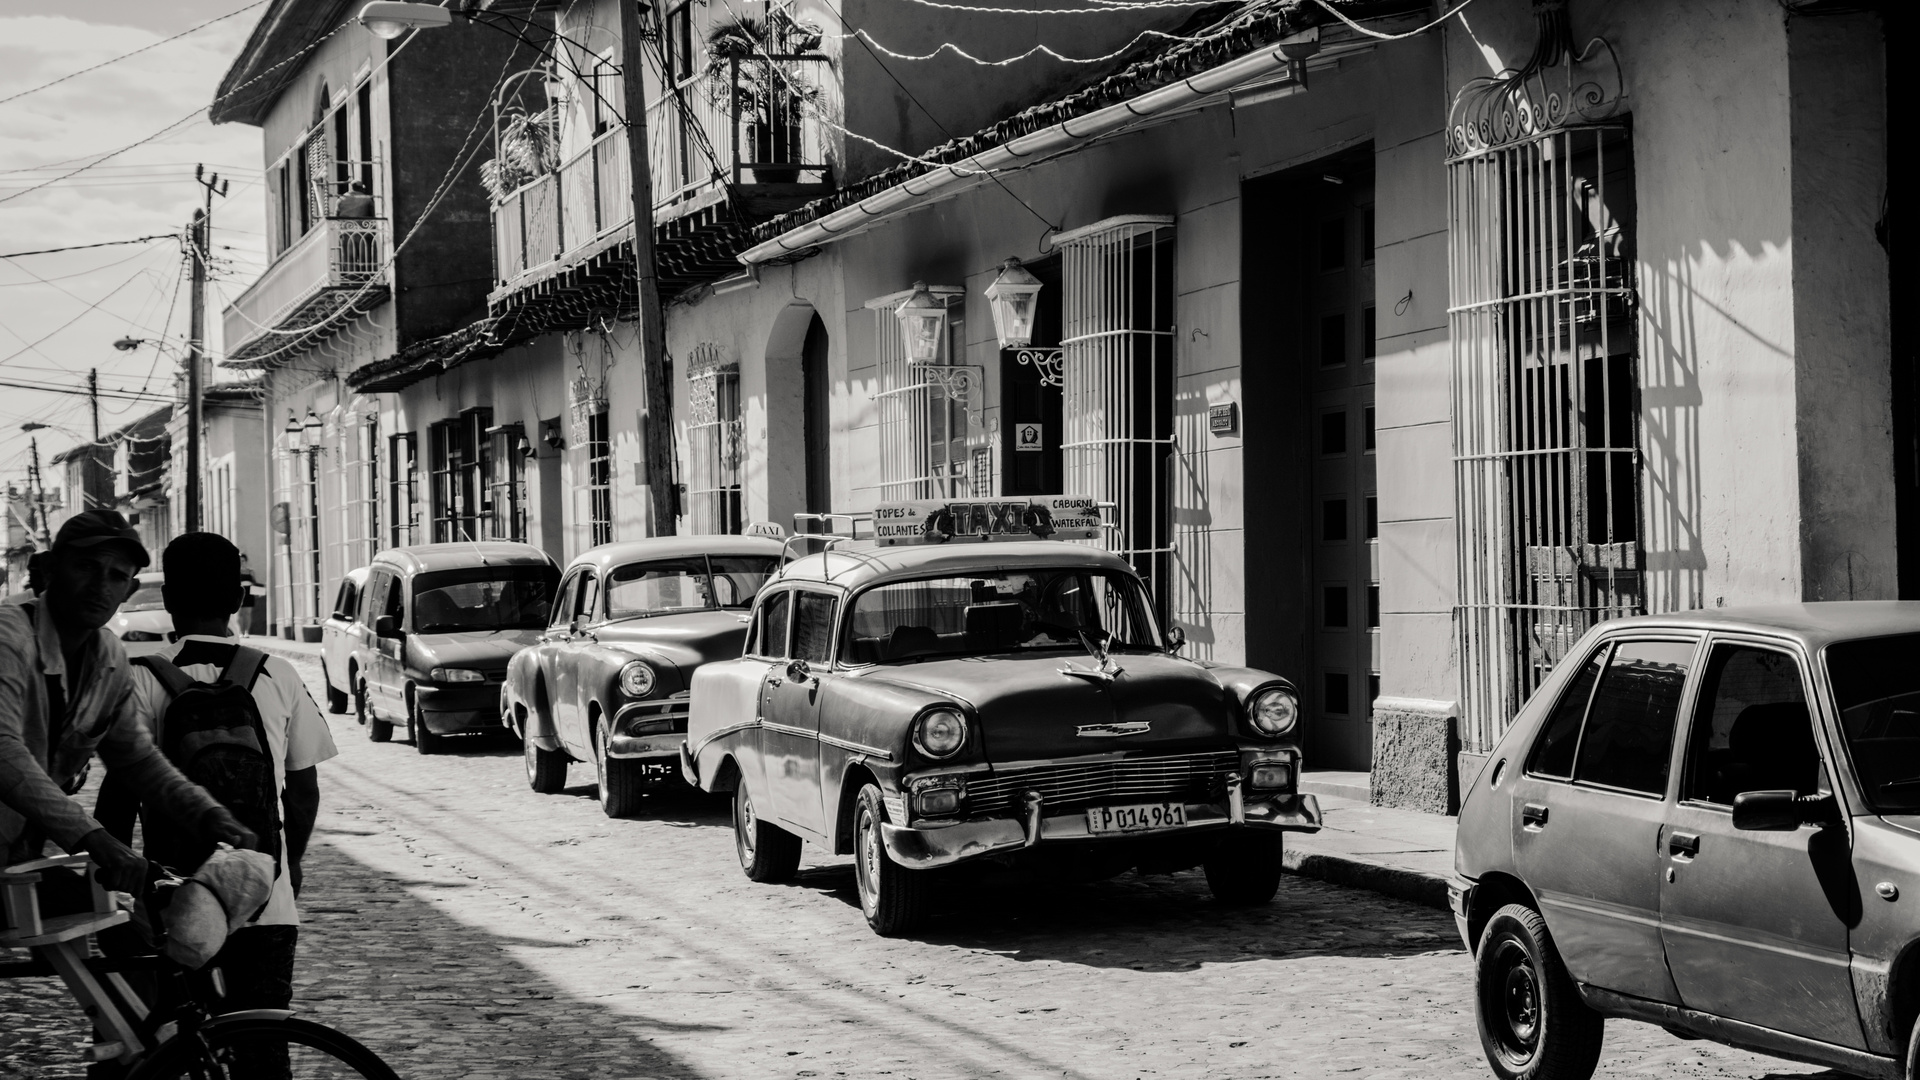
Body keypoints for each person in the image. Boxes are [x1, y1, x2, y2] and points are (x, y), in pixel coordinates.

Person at [103, 532, 338, 1020]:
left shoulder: (139, 677)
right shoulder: (279, 674)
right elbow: (303, 789)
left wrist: (122, 897)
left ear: (167, 599)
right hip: (264, 898)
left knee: (173, 1043)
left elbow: (120, 800)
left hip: (176, 904)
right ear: (238, 599)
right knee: (263, 1043)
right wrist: (288, 864)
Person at [0, 511, 256, 902]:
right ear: (51, 569)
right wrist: (94, 838)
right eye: (86, 567)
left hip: (17, 853)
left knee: (143, 920)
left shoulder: (109, 657)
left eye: (117, 576)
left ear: (129, 590)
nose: (100, 586)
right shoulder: (9, 638)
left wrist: (206, 813)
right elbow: (4, 752)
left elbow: (135, 758)